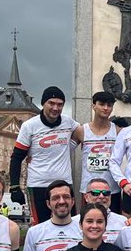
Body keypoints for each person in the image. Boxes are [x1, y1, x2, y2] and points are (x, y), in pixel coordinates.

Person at [10, 86, 79, 224]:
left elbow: (84, 133)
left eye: (60, 104)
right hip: (38, 185)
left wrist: (68, 147)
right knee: (40, 227)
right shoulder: (30, 126)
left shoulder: (69, 122)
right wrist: (14, 187)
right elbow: (17, 158)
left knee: (70, 226)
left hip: (63, 184)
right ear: (43, 104)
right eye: (51, 103)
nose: (55, 108)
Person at [20, 181, 82, 251]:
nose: (61, 201)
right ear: (48, 204)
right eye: (55, 198)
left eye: (66, 197)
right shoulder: (34, 232)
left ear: (73, 201)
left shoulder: (84, 231)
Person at [73, 90, 121, 212]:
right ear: (93, 105)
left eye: (109, 105)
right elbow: (63, 150)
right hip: (89, 190)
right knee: (88, 223)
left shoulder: (117, 131)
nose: (105, 108)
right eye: (101, 104)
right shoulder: (81, 131)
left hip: (111, 190)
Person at [76, 176, 131, 243]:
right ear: (86, 197)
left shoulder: (123, 222)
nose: (101, 196)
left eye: (106, 193)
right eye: (96, 193)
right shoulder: (74, 222)